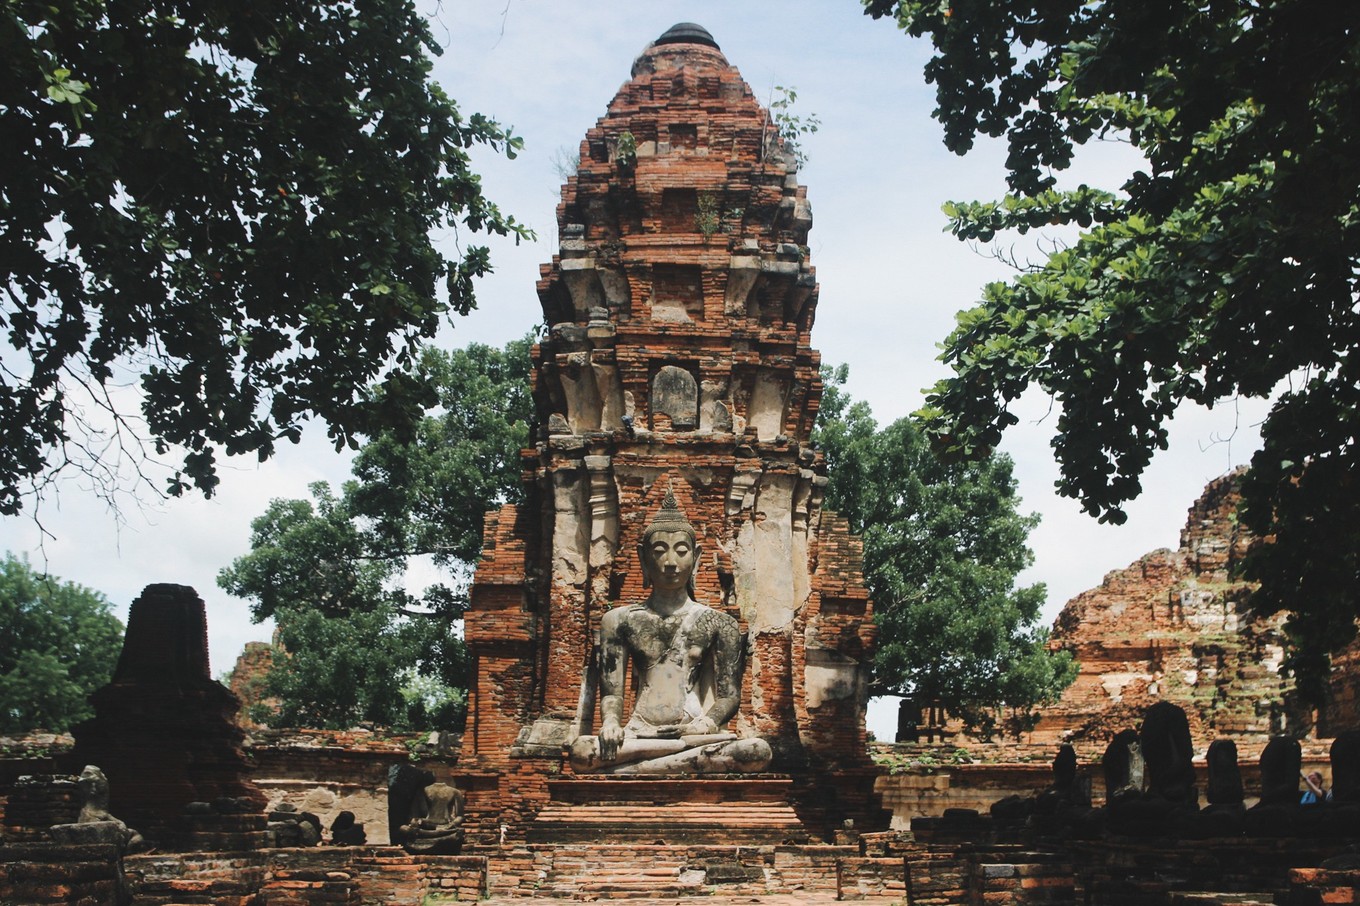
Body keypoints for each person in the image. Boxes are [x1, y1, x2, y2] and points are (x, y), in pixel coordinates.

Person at [568, 488, 770, 774]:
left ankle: (635, 770)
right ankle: (669, 763)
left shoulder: (720, 623)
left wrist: (707, 723)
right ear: (643, 558)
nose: (671, 562)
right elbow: (612, 694)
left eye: (682, 551)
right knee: (581, 751)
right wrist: (612, 724)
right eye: (660, 551)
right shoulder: (618, 620)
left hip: (696, 734)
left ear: (697, 557)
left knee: (755, 751)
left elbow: (729, 696)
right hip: (638, 733)